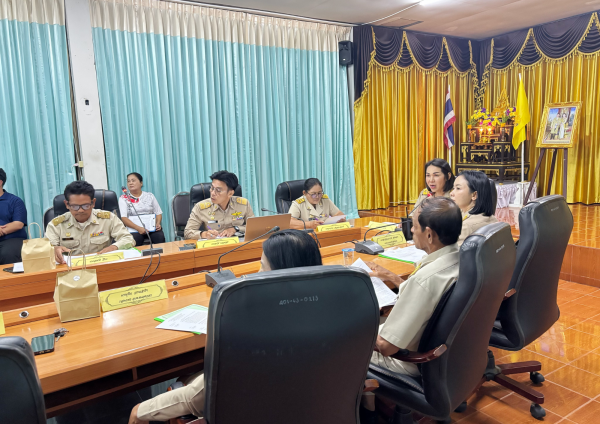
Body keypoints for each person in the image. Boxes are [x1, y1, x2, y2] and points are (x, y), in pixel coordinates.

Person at [129, 229, 322, 424]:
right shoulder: (327, 314)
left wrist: (140, 411)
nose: (256, 274)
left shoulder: (258, 332)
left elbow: (201, 395)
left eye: (262, 267)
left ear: (281, 276)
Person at [365, 197, 462, 376]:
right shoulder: (461, 260)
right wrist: (390, 276)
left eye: (415, 226)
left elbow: (386, 347)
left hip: (409, 361)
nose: (411, 230)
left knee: (340, 338)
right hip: (449, 356)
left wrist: (356, 327)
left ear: (429, 235)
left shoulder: (424, 280)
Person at [46, 181, 135, 264]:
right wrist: (54, 249)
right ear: (67, 204)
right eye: (75, 206)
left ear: (93, 203)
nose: (80, 210)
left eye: (86, 206)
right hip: (70, 269)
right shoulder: (56, 225)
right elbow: (46, 250)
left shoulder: (108, 218)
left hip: (101, 264)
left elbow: (128, 239)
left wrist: (114, 247)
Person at [184, 171, 254, 240]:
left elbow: (254, 227)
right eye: (212, 188)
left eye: (218, 190)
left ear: (230, 193)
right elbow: (187, 232)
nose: (212, 193)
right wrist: (204, 234)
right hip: (214, 244)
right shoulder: (200, 207)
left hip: (238, 243)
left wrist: (235, 229)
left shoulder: (243, 204)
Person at [450, 171, 497, 246]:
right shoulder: (491, 217)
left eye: (458, 188)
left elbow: (448, 251)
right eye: (453, 188)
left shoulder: (466, 227)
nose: (451, 193)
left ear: (474, 195)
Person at [118, 172, 166, 246]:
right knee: (135, 240)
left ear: (141, 183)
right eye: (128, 181)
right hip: (134, 229)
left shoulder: (150, 196)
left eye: (133, 180)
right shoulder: (123, 198)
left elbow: (158, 213)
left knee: (160, 237)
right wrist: (138, 228)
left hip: (151, 227)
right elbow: (124, 218)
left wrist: (158, 223)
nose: (130, 183)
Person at [0, 168, 28, 265]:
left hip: (11, 239)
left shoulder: (15, 201)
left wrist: (1, 230)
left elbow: (18, 224)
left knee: (7, 253)